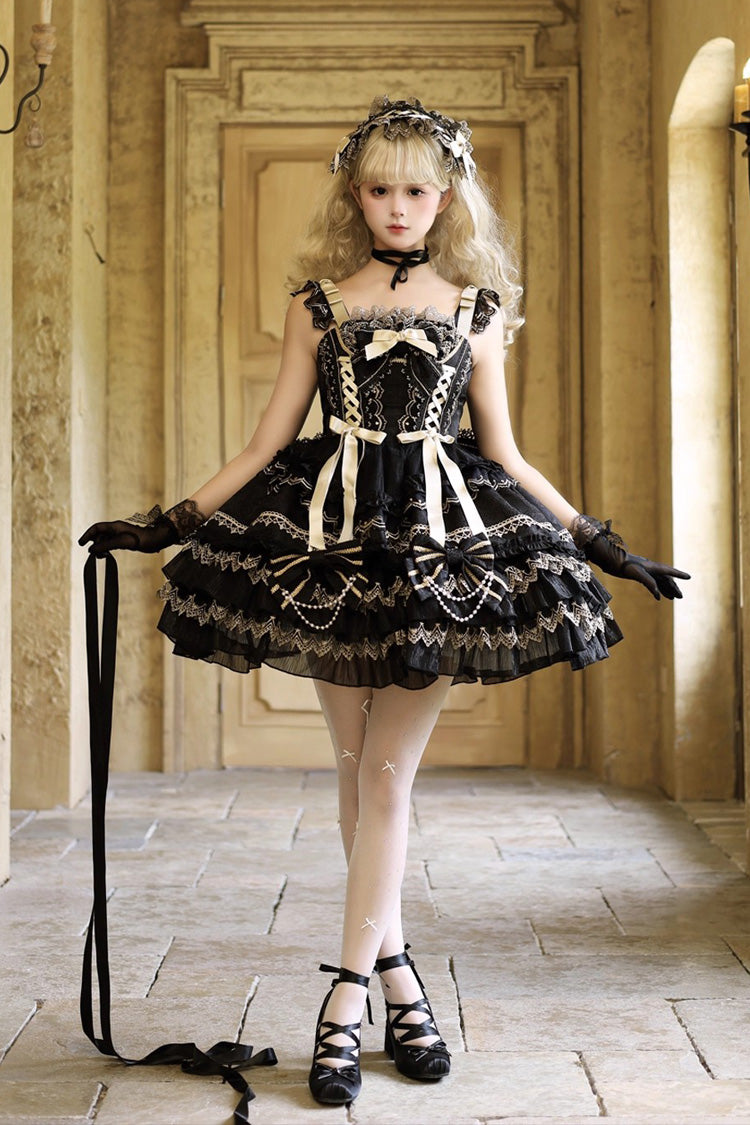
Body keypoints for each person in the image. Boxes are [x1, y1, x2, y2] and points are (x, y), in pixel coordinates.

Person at [79, 95, 689, 1107]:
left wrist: (601, 543)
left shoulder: (477, 309)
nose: (397, 207)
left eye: (415, 190)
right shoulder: (316, 305)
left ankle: (345, 998)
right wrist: (165, 523)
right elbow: (267, 443)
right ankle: (402, 983)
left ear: (446, 197)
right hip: (327, 543)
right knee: (358, 769)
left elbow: (506, 454)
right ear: (354, 196)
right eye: (378, 189)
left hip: (441, 551)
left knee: (387, 776)